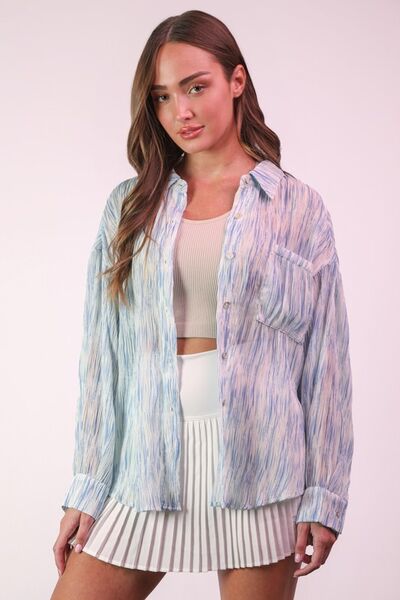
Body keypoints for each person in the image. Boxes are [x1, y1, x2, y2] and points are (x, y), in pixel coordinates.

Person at [50, 9, 354, 600]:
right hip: (146, 464)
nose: (180, 112)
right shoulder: (130, 207)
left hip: (261, 471)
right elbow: (100, 361)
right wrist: (87, 487)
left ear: (236, 81)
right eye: (162, 97)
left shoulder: (297, 209)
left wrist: (325, 497)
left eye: (195, 87)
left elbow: (327, 367)